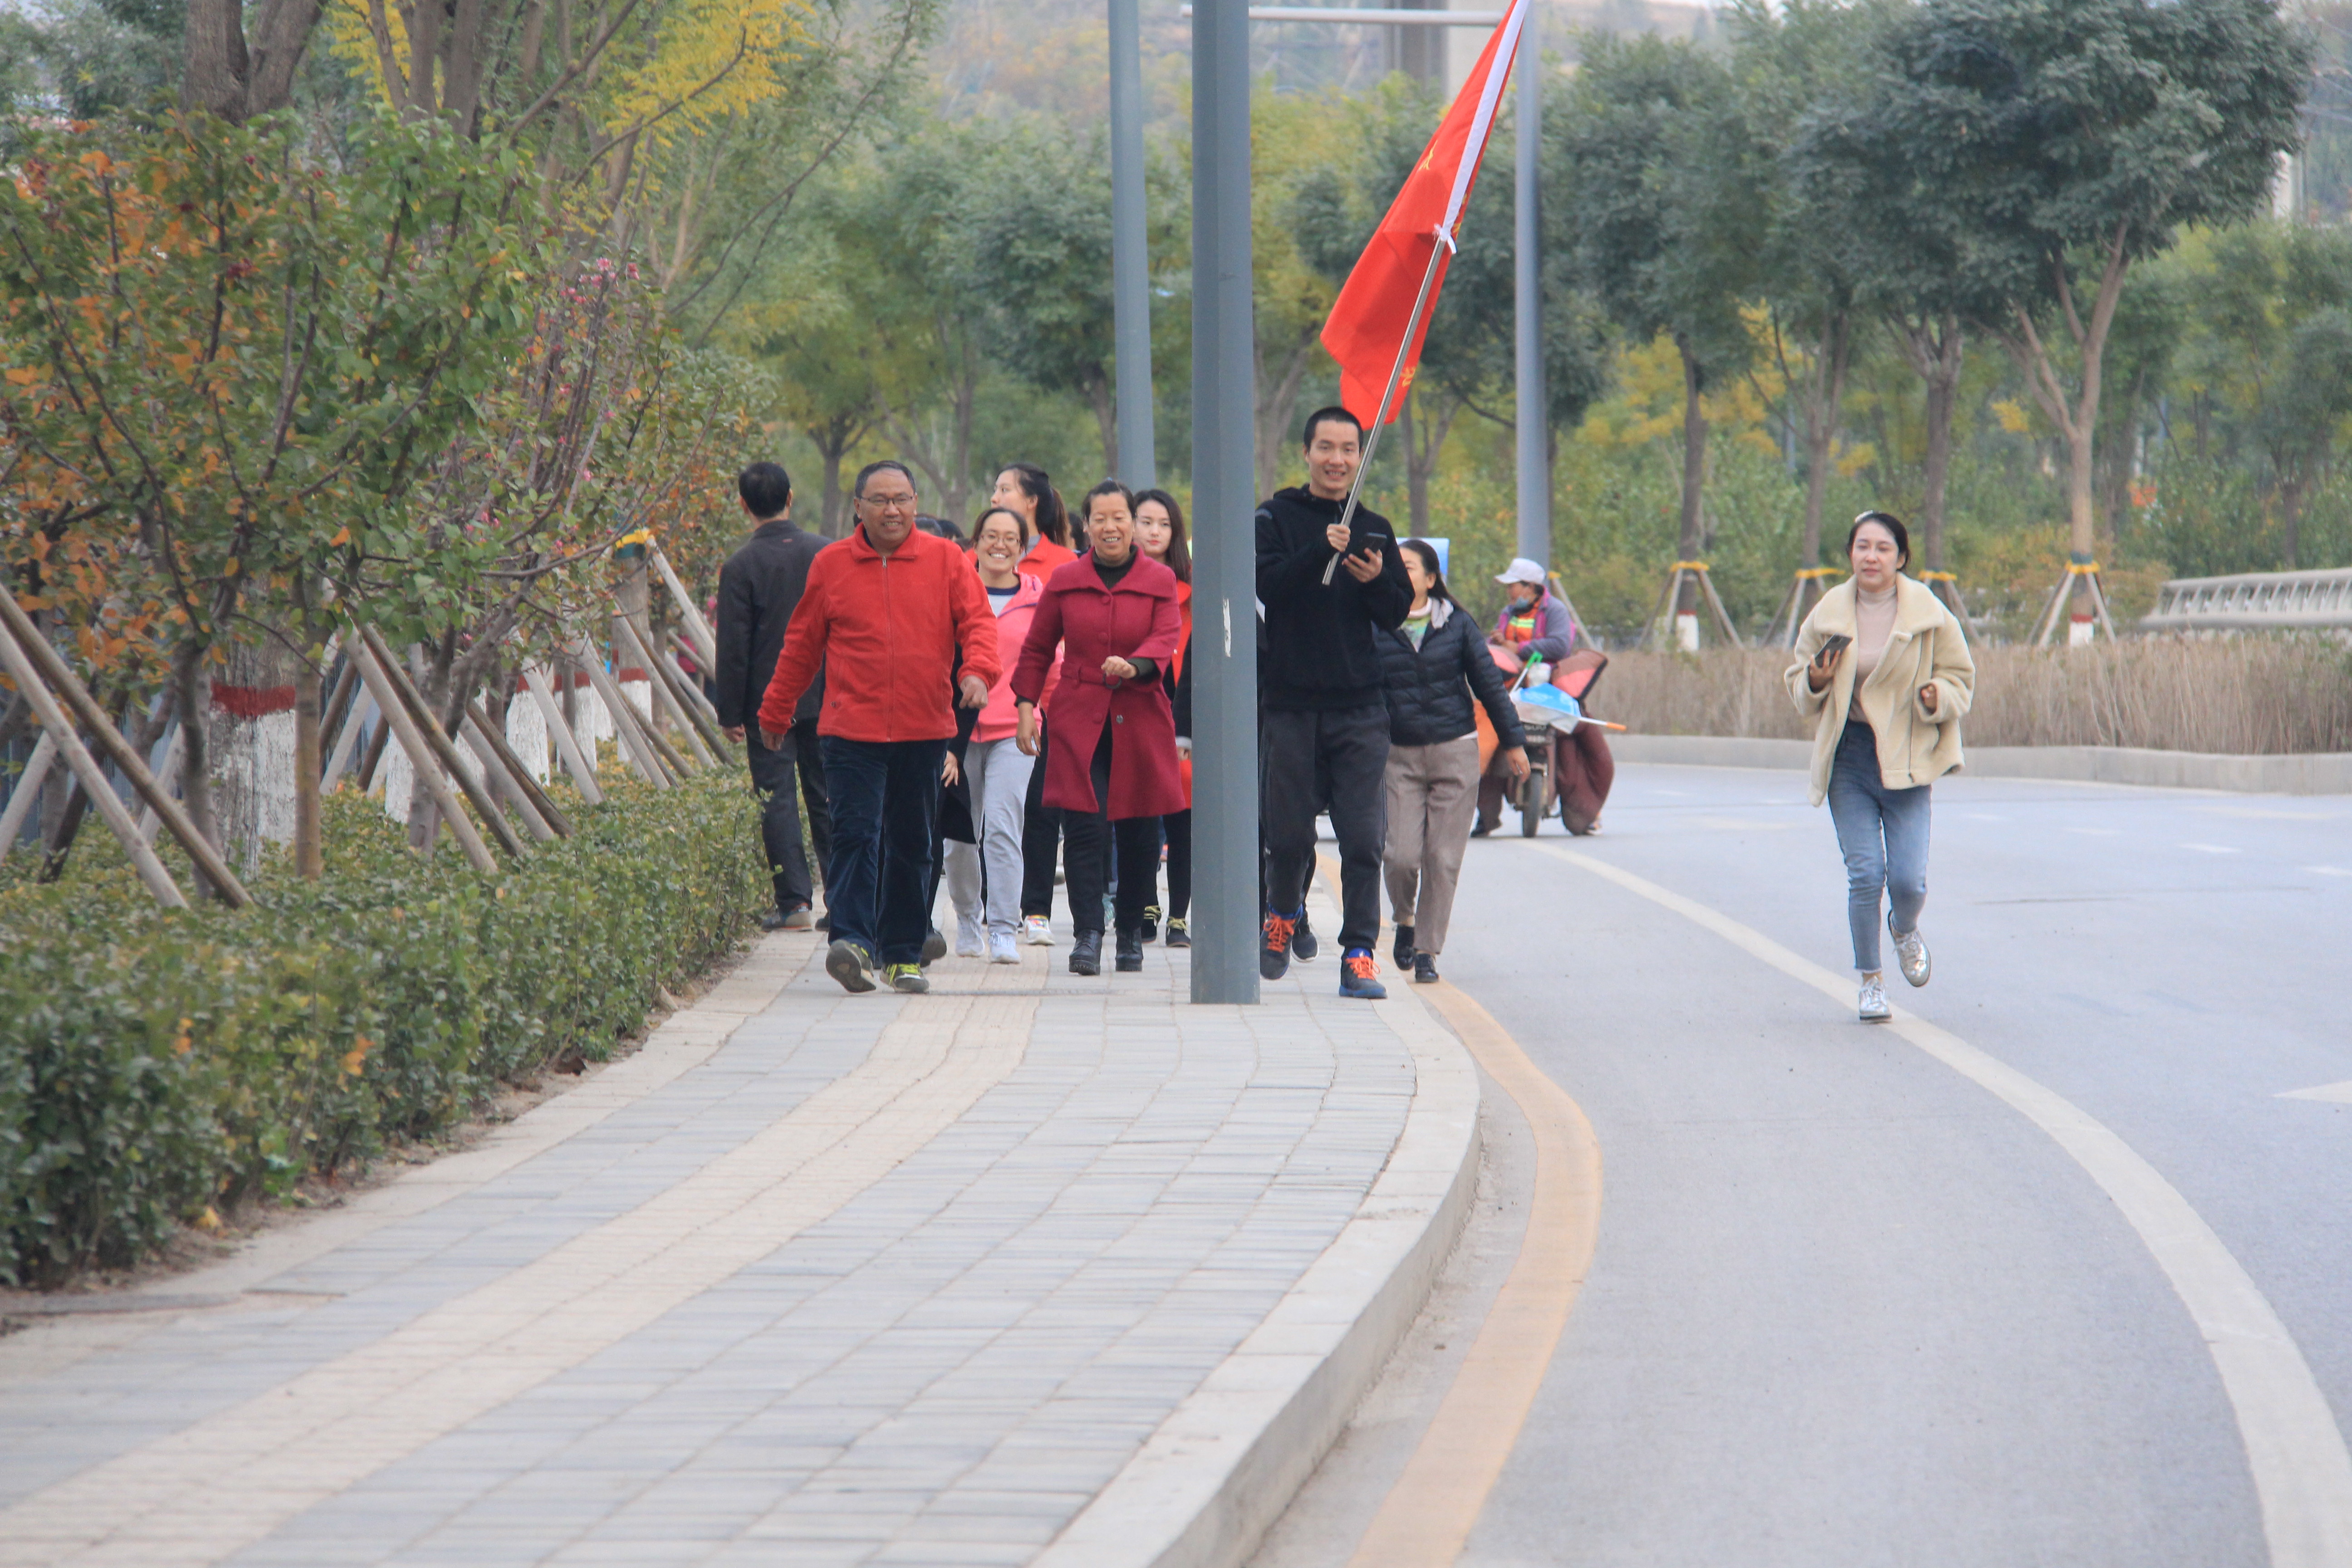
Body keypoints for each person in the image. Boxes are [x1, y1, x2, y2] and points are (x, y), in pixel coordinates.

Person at [759, 460, 997, 995]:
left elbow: (978, 623)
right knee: (854, 836)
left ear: (916, 502)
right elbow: (801, 646)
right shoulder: (832, 565)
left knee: (915, 843)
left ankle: (902, 953)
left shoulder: (946, 560)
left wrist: (978, 671)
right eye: (880, 500)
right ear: (858, 509)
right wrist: (777, 711)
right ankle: (852, 942)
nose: (892, 509)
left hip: (924, 728)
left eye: (902, 499)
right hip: (850, 731)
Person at [1786, 510, 1974, 1023]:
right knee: (1866, 873)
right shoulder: (1827, 614)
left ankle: (1905, 927)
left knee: (1908, 881)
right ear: (1850, 554)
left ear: (1901, 557)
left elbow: (1962, 676)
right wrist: (1816, 680)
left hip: (1908, 758)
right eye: (1863, 547)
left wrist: (1938, 695)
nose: (1872, 557)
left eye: (1883, 548)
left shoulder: (1929, 615)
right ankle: (1871, 981)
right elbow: (1796, 683)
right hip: (1850, 756)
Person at [1256, 407, 1414, 1000]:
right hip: (1292, 701)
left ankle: (1358, 953)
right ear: (1307, 452)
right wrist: (1318, 548)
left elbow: (1397, 609)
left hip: (1361, 706)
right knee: (1290, 833)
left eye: (1349, 449)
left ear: (1358, 457)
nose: (1337, 459)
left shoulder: (1373, 525)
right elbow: (1266, 585)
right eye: (1326, 447)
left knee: (1363, 838)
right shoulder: (1274, 517)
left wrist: (1375, 578)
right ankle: (1282, 913)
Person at [1013, 480, 1186, 977]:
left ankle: (1130, 929)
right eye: (1100, 519)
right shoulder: (1067, 580)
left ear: (1133, 524)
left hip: (1141, 716)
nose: (1111, 527)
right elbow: (1037, 648)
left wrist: (1136, 665)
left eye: (1120, 518)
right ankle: (1088, 933)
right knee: (1084, 829)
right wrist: (1027, 706)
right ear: (1084, 526)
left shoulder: (1158, 580)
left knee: (1137, 833)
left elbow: (1166, 636)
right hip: (1078, 716)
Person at [1379, 540, 1531, 985]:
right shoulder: (1374, 623)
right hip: (1398, 756)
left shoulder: (1458, 625)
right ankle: (1404, 918)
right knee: (1402, 856)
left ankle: (1427, 950)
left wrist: (1514, 741)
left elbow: (1489, 686)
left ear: (1430, 579)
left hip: (1455, 752)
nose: (1398, 573)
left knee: (1442, 857)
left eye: (1407, 567)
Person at [711, 461, 829, 931]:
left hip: (768, 707)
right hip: (826, 696)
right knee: (828, 797)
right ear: (791, 497)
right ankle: (843, 900)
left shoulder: (741, 566)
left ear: (743, 505)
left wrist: (731, 711)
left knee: (776, 799)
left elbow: (734, 646)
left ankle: (795, 904)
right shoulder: (826, 554)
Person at [944, 506, 1054, 964]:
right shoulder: (954, 589)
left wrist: (1036, 712)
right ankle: (969, 919)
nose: (1000, 544)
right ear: (976, 540)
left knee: (1004, 828)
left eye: (1011, 537)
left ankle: (1005, 928)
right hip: (957, 731)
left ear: (1024, 546)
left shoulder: (1037, 595)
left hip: (1015, 727)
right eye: (991, 535)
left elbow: (1049, 662)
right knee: (959, 837)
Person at [994, 463, 1076, 944]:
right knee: (994, 818)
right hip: (990, 712)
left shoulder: (1065, 563)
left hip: (1053, 707)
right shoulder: (975, 559)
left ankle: (1037, 909)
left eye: (1005, 489)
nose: (995, 496)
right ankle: (991, 906)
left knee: (1042, 811)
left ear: (1031, 504)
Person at [1475, 557, 1579, 837]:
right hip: (1510, 689)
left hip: (1548, 689)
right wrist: (1497, 644)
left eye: (1513, 586)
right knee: (1485, 736)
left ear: (1531, 587)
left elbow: (1560, 644)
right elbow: (1494, 648)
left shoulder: (1555, 610)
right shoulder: (1508, 612)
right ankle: (1486, 816)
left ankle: (1584, 812)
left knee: (1581, 736)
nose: (1509, 592)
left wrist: (1517, 647)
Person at [1133, 488, 1193, 949]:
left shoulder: (1195, 587)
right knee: (1141, 814)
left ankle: (1179, 915)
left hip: (1184, 711)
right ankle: (1146, 902)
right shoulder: (1120, 581)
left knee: (1182, 817)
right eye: (1145, 522)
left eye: (1163, 524)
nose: (1154, 532)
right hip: (1137, 705)